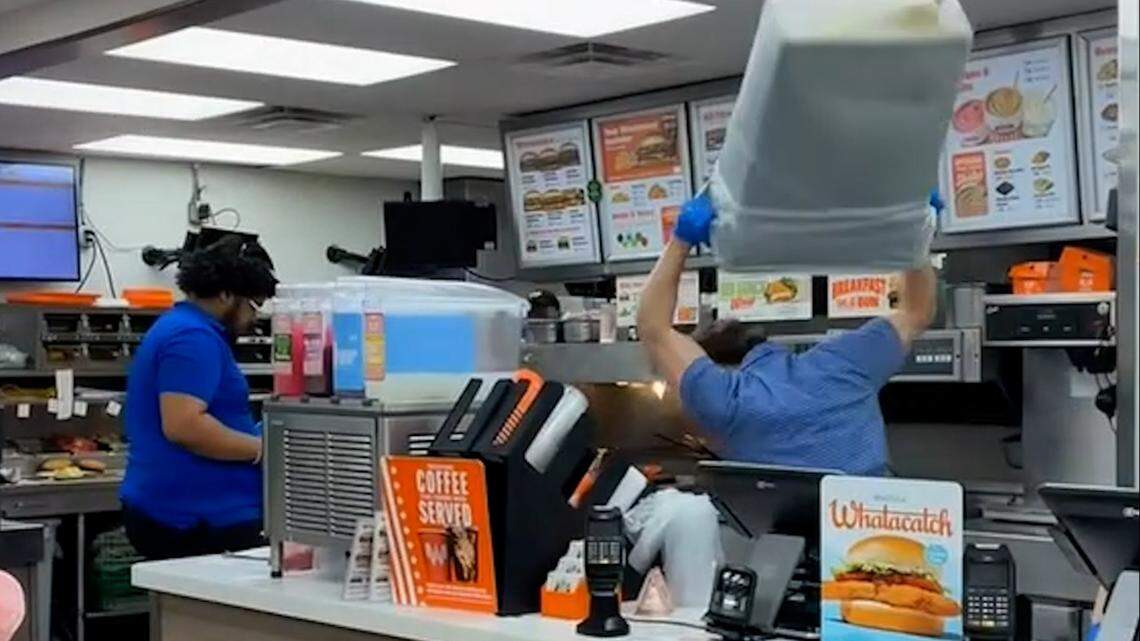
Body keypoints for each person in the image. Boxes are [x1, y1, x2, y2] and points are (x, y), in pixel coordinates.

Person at [636, 194, 937, 475]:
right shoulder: (844, 362)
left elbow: (652, 327)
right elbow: (917, 311)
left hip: (786, 527)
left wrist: (682, 239)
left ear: (722, 369)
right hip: (873, 524)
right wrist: (915, 237)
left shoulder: (726, 400)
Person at [120, 236, 277, 559]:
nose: (254, 317)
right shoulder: (192, 338)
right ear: (225, 294)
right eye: (254, 304)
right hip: (194, 519)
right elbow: (184, 426)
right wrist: (263, 450)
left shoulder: (182, 328)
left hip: (196, 510)